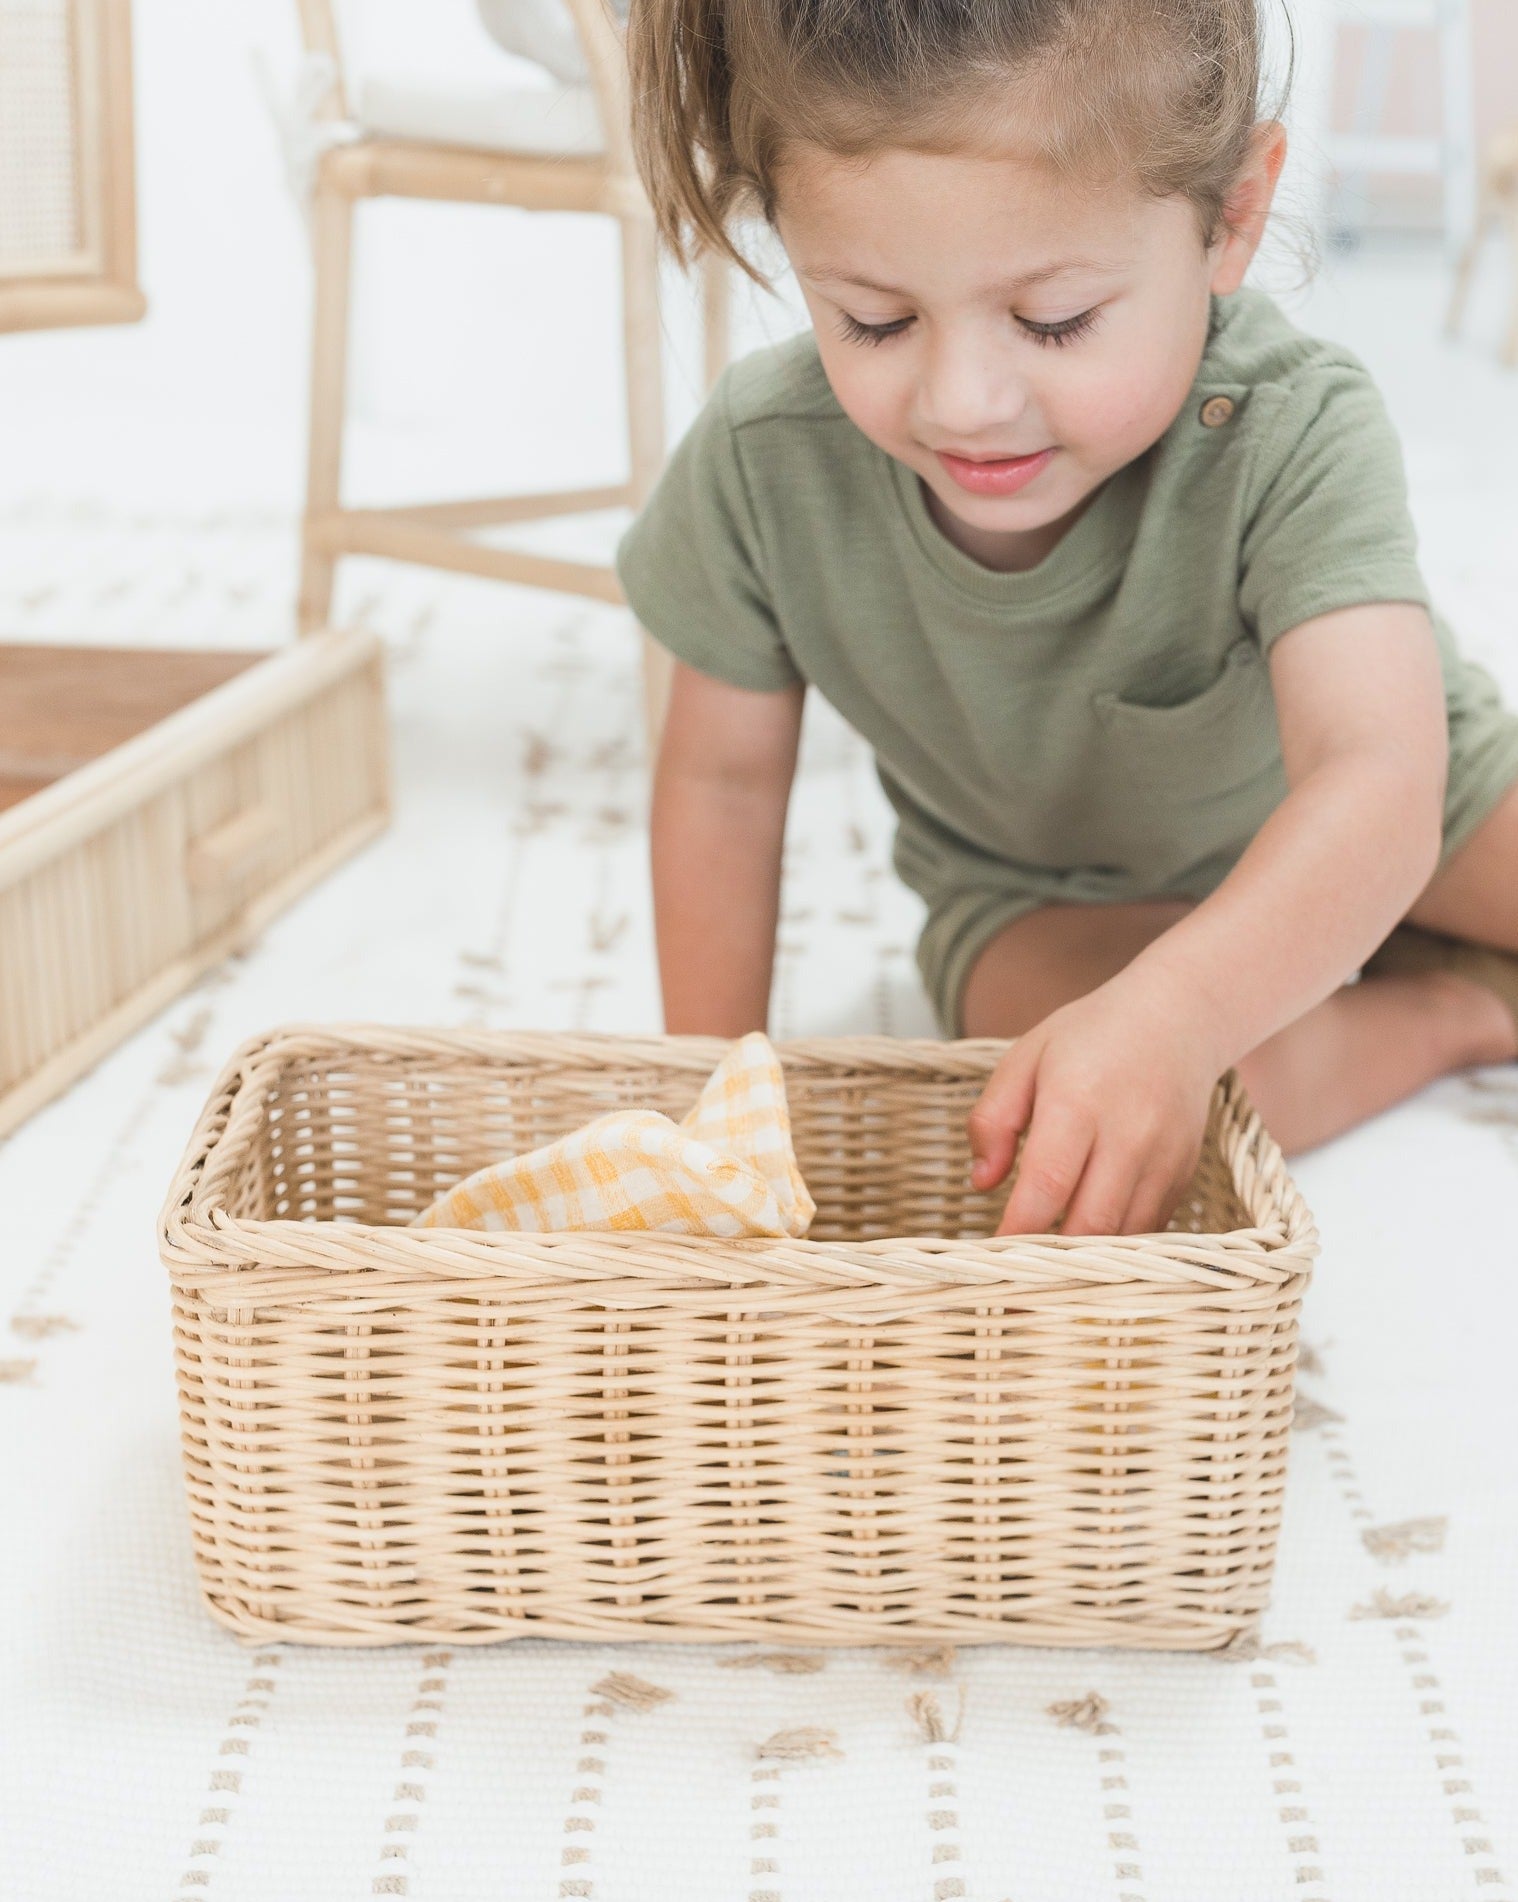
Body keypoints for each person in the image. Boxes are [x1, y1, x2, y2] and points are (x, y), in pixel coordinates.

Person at [613, 0, 1518, 1236]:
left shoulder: (1292, 429)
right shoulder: (763, 462)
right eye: (874, 320)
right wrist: (706, 1119)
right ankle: (1456, 1009)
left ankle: (1372, 938)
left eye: (1054, 322)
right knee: (1083, 1115)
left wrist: (1181, 1007)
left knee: (1196, 1020)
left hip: (1421, 810)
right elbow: (718, 786)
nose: (966, 403)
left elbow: (1382, 781)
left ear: (1232, 220)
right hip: (1047, 896)